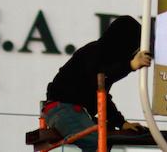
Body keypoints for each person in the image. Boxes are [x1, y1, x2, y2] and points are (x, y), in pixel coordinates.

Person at [43, 15, 152, 152]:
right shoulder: (95, 53)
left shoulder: (101, 57)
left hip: (67, 110)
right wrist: (129, 65)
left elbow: (101, 96)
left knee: (105, 138)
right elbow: (97, 79)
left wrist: (121, 123)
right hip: (65, 110)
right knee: (98, 144)